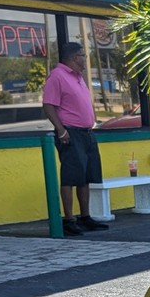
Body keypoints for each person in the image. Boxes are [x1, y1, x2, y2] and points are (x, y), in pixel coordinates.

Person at [42, 41, 107, 236]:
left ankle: (85, 217)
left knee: (85, 176)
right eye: (83, 56)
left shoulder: (79, 77)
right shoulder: (57, 76)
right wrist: (61, 130)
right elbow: (48, 105)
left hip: (86, 133)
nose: (85, 59)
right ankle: (69, 219)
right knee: (70, 177)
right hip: (70, 133)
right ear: (72, 58)